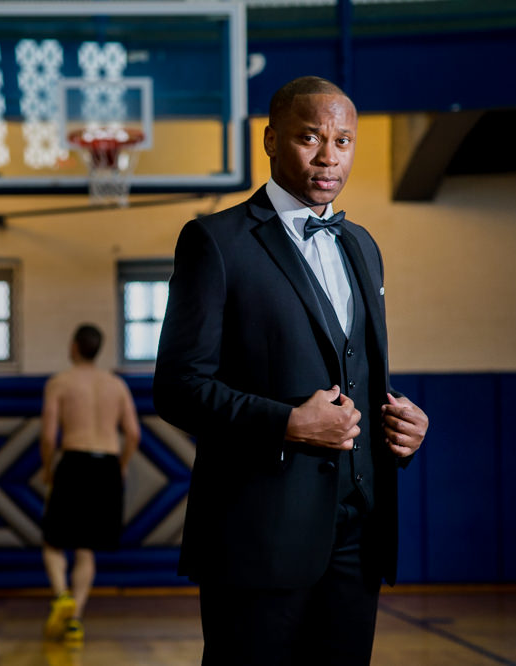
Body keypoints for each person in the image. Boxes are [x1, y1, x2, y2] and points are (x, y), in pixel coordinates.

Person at [152, 76, 429, 665]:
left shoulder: (362, 244)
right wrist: (288, 423)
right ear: (271, 139)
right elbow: (178, 388)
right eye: (310, 137)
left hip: (359, 530)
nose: (330, 156)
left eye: (344, 141)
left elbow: (352, 369)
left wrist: (400, 424)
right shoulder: (215, 241)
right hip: (258, 532)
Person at [39, 324, 141, 645]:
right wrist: (122, 465)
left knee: (53, 541)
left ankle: (61, 596)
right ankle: (75, 622)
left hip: (74, 461)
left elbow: (47, 434)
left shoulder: (60, 382)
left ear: (73, 346)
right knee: (87, 548)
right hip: (107, 464)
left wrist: (47, 468)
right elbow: (134, 434)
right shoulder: (116, 384)